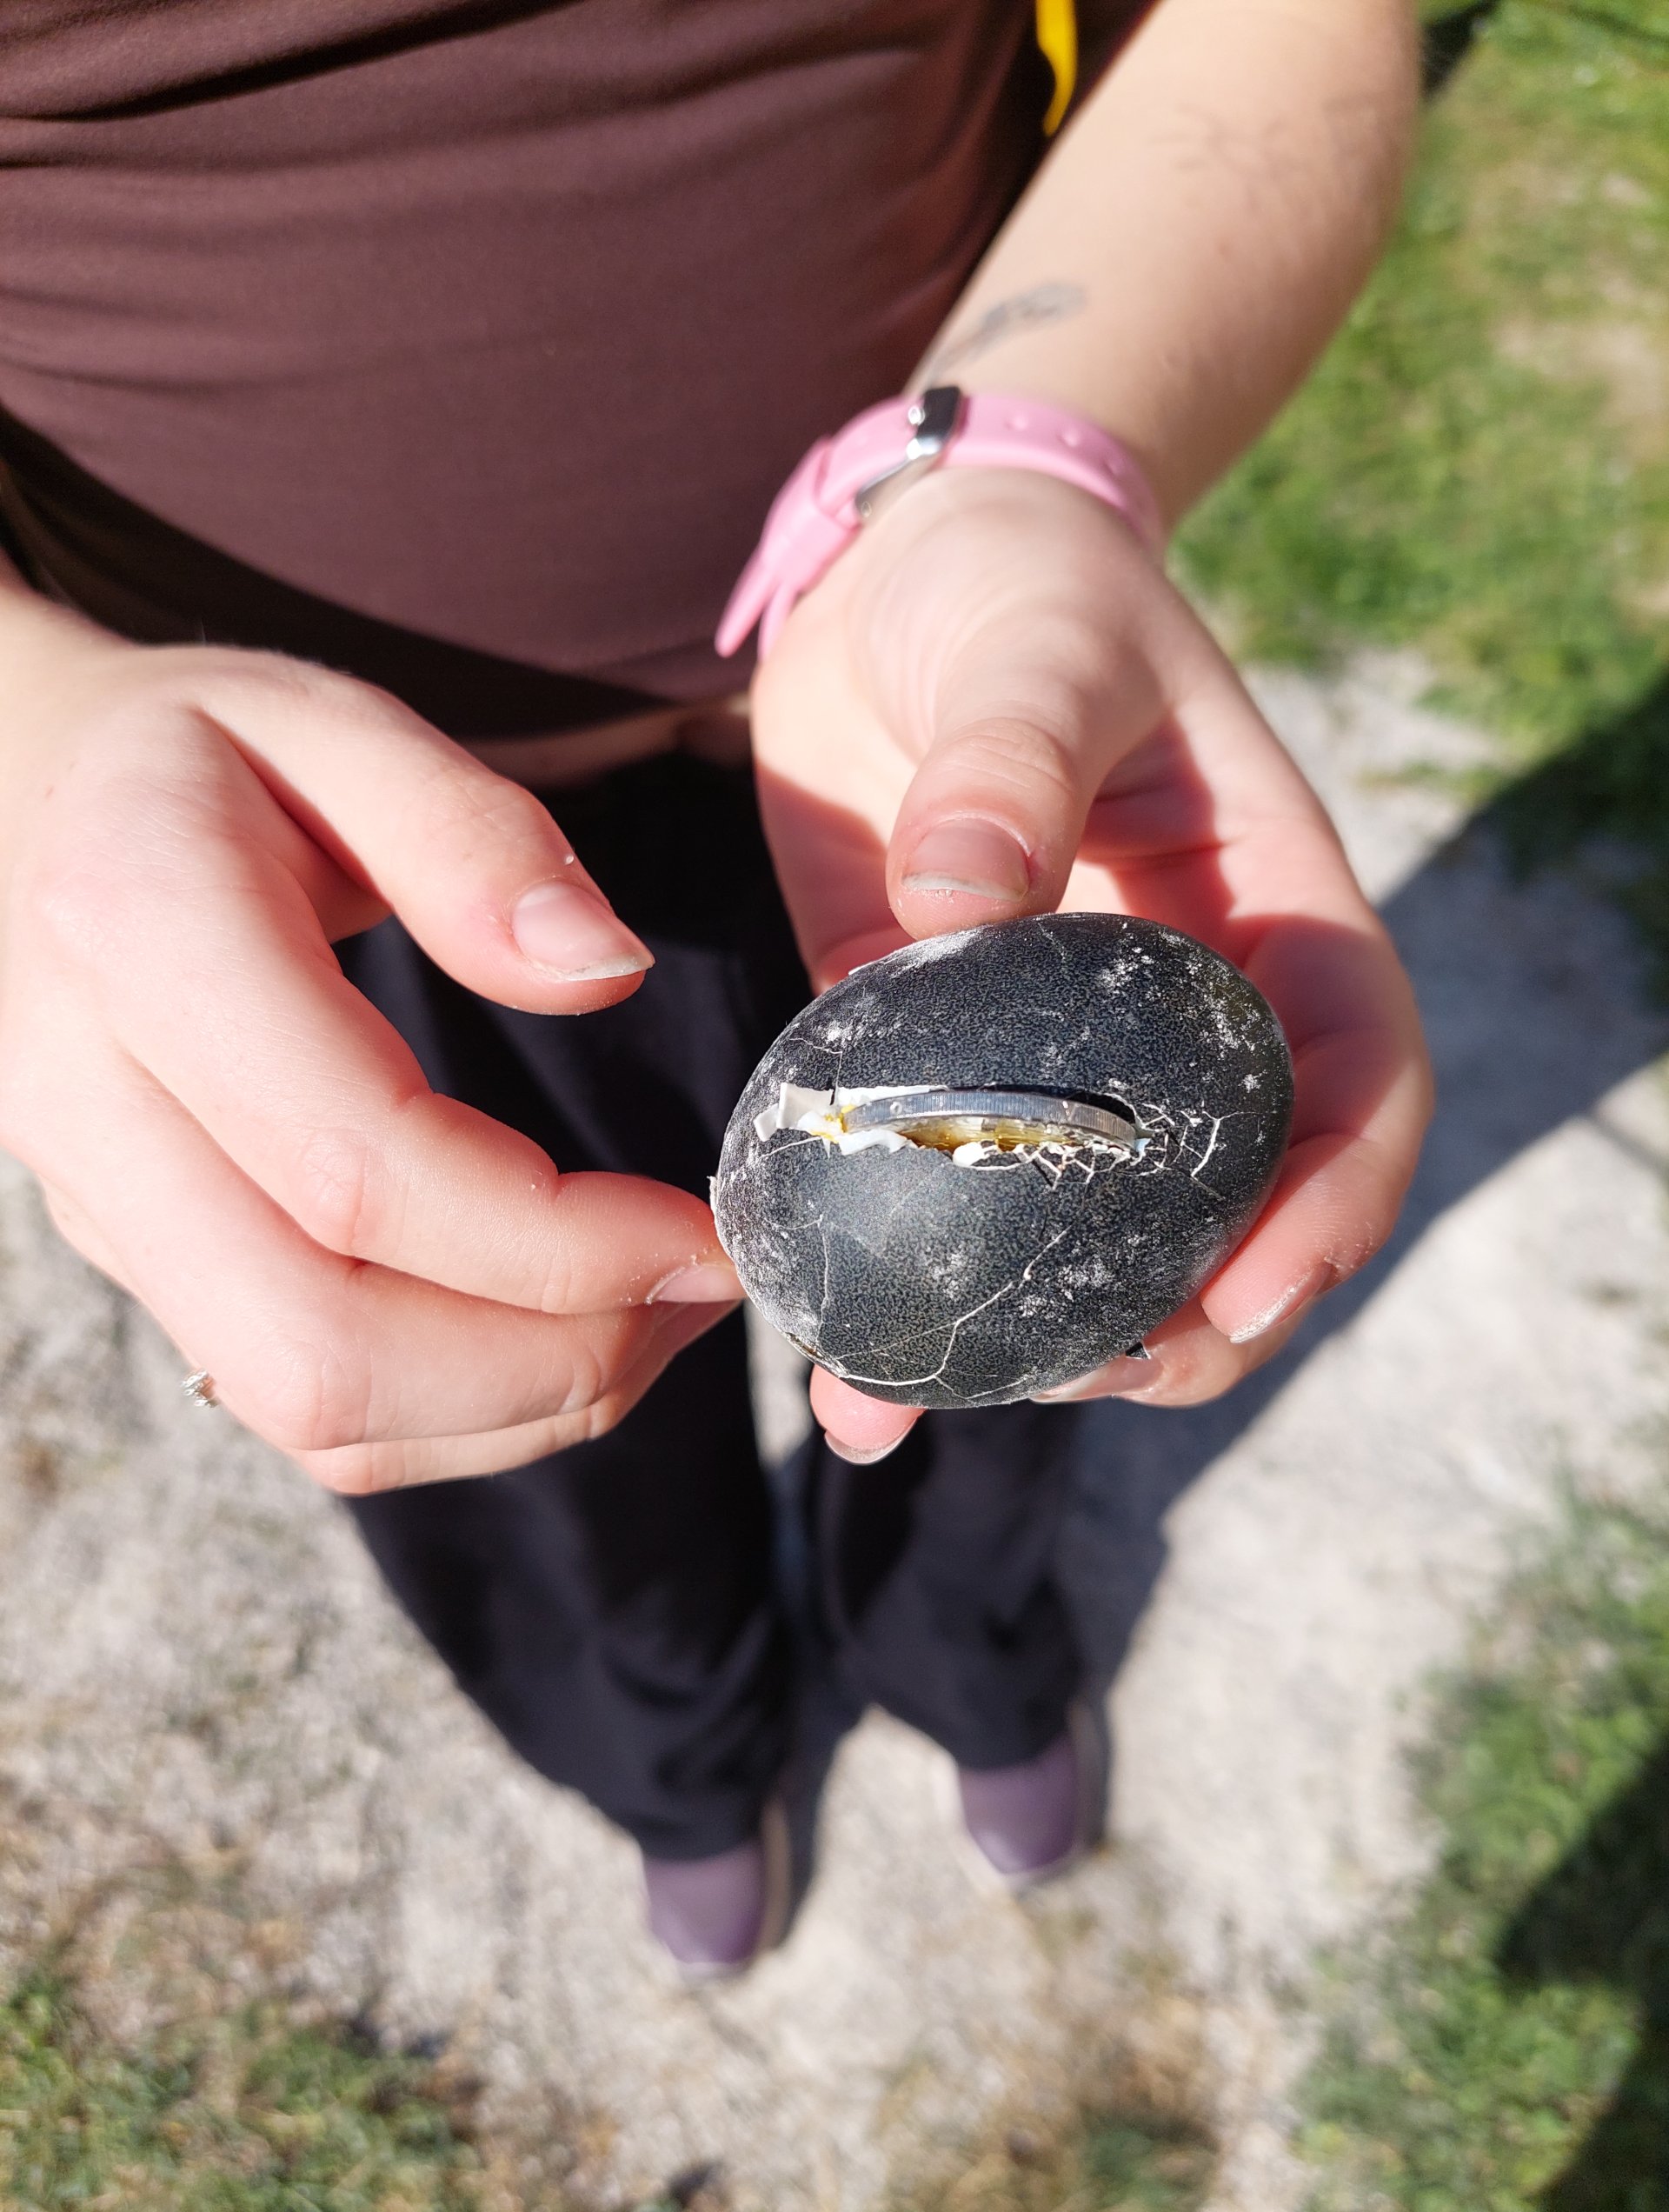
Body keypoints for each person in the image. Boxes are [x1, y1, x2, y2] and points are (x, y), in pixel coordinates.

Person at [0, 0, 1431, 1978]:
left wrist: (1022, 459)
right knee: (537, 1414)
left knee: (1002, 1342)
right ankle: (676, 1764)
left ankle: (967, 1650)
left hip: (927, 761)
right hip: (330, 848)